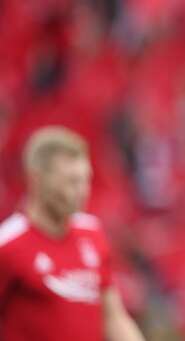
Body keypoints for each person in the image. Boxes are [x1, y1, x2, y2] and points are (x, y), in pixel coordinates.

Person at [0, 126, 145, 341]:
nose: (83, 190)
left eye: (86, 179)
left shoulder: (92, 233)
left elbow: (113, 316)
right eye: (72, 182)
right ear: (38, 180)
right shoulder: (8, 245)